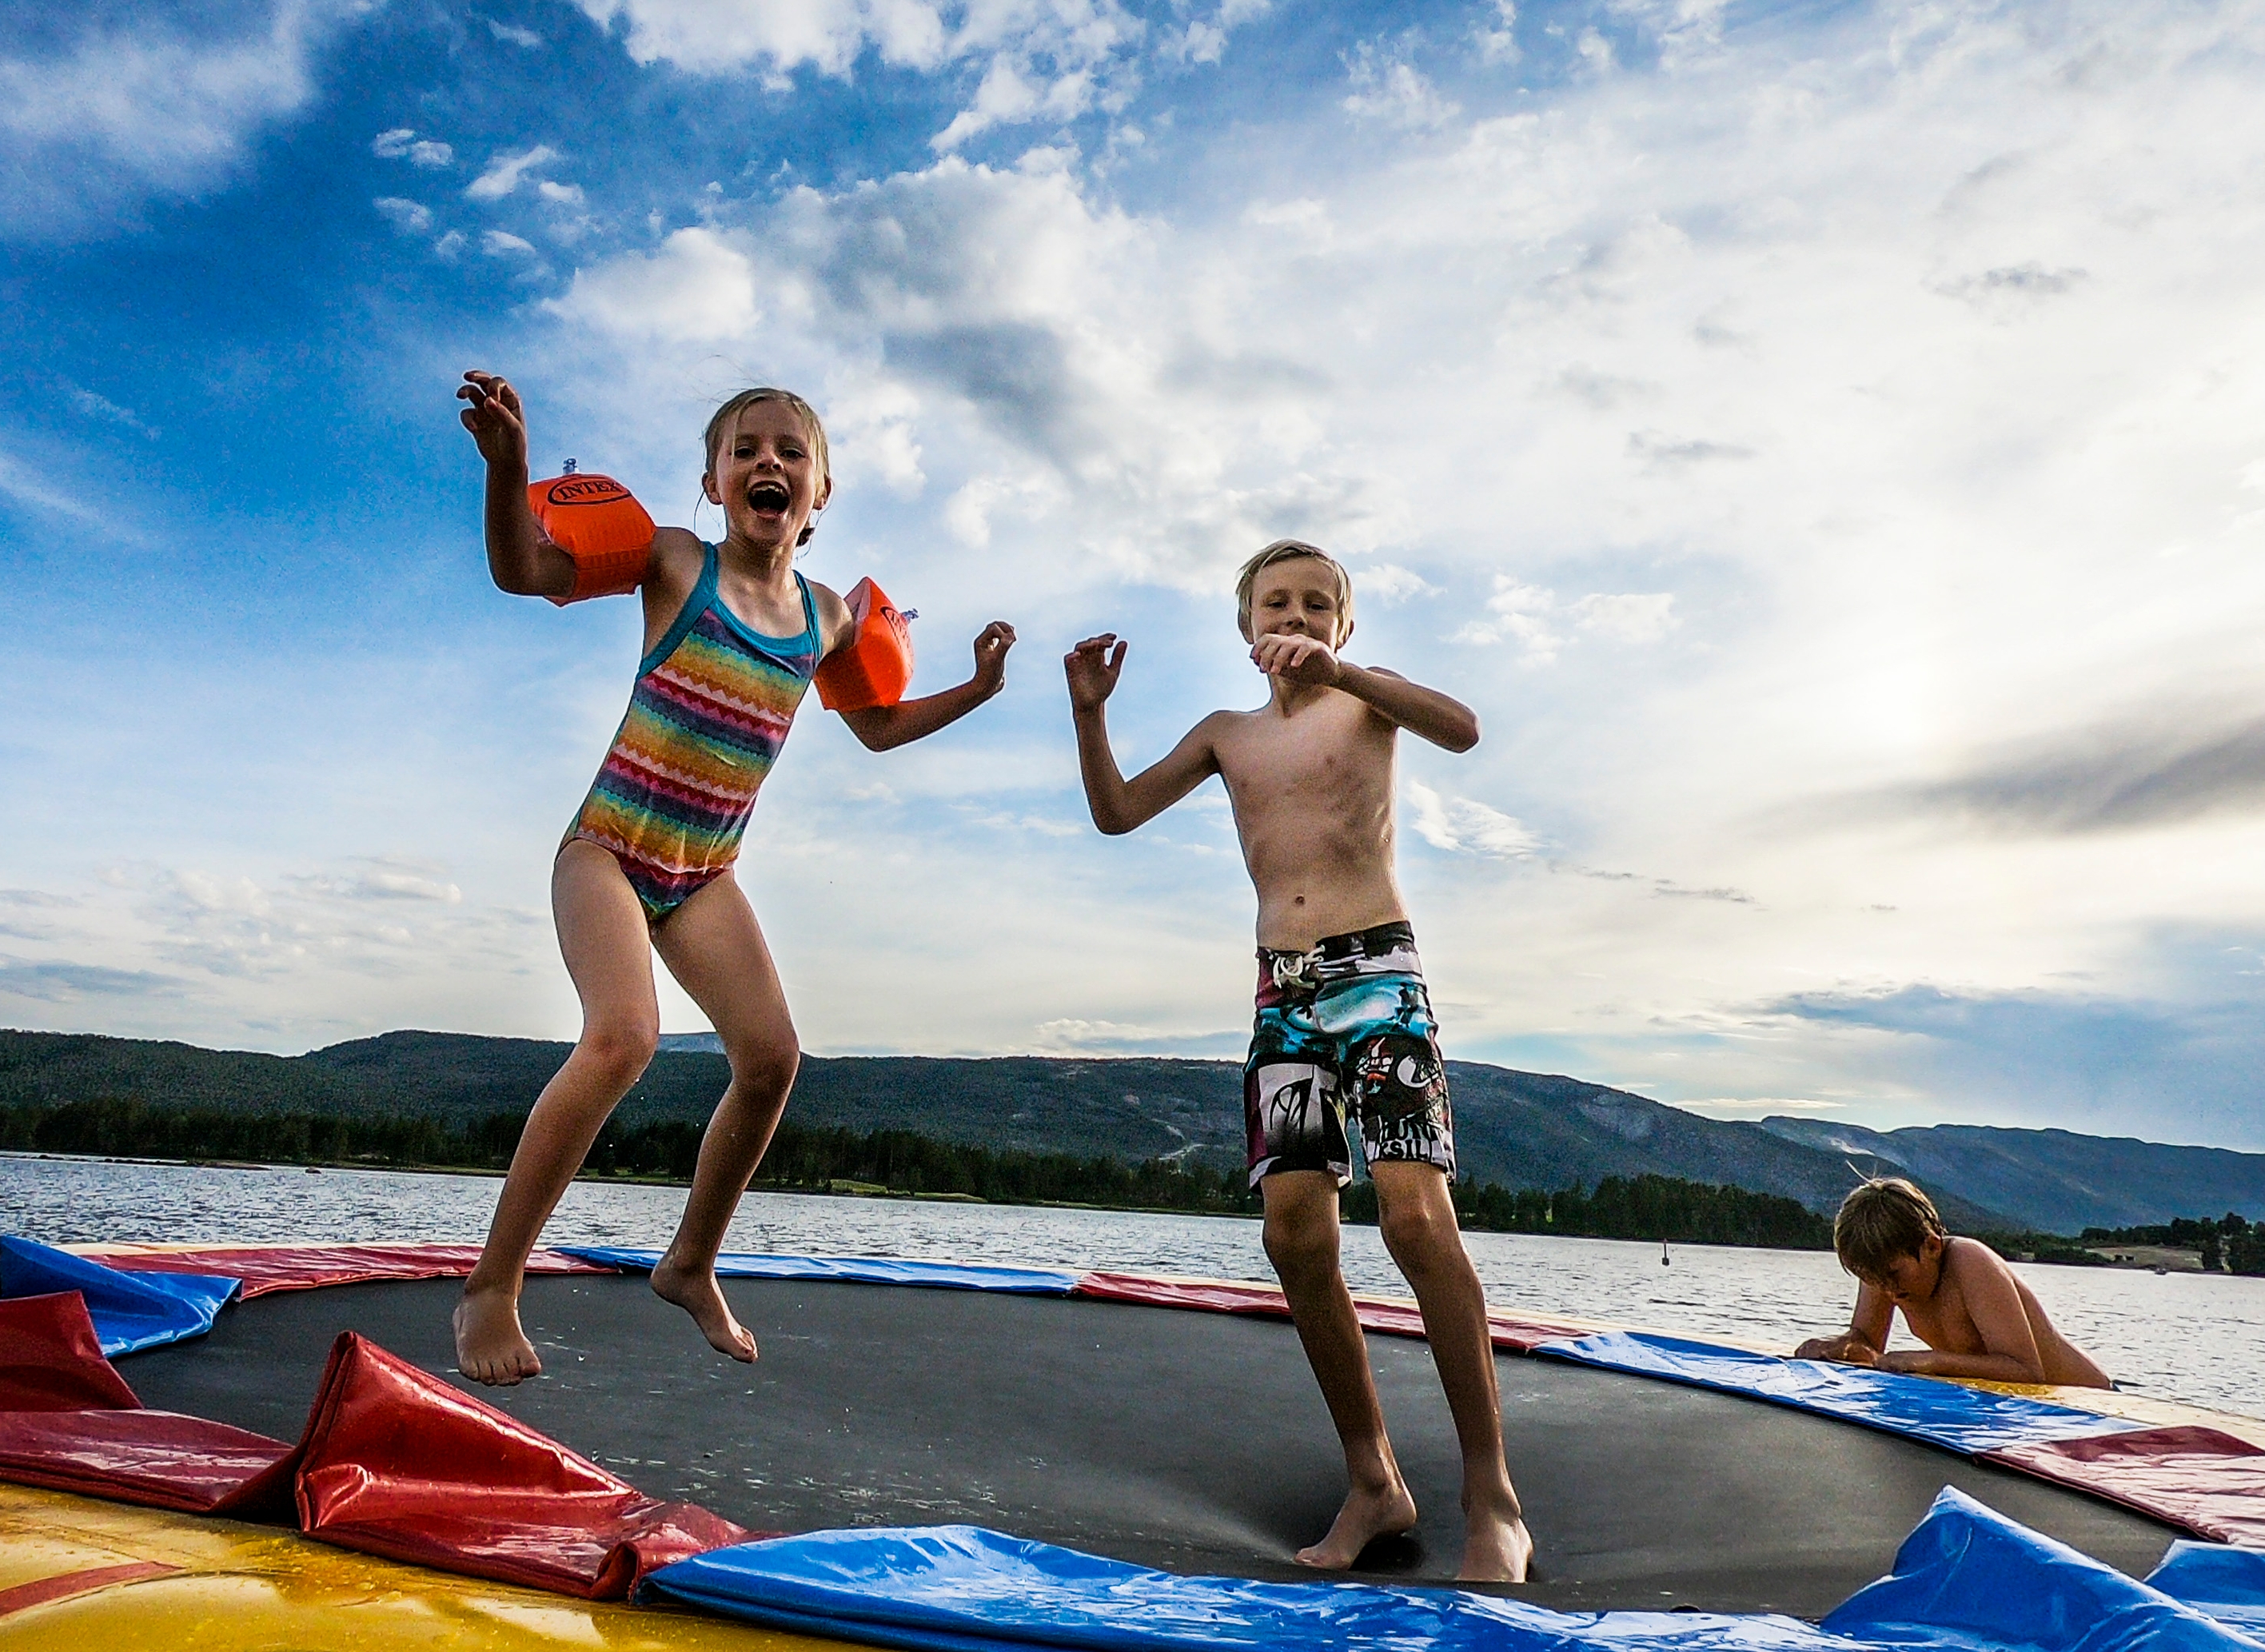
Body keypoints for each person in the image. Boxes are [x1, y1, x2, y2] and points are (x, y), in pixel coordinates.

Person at [449, 372, 1016, 1386]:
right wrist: (511, 470)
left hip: (704, 872)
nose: (769, 463)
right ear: (714, 483)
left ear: (821, 494)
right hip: (608, 850)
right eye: (746, 449)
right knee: (624, 1037)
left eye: (791, 453)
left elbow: (879, 730)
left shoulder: (829, 617)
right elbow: (523, 570)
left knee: (771, 1059)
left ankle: (691, 1262)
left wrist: (975, 688)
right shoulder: (675, 561)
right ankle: (493, 1284)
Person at [1063, 540, 1533, 1584]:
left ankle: (1492, 1493)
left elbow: (1463, 729)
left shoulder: (1369, 699)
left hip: (1379, 975)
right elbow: (1116, 813)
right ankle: (1374, 1480)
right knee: (1294, 1233)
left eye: (1322, 604)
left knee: (1414, 1215)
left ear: (1345, 624)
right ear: (1244, 628)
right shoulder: (1226, 735)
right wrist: (1091, 713)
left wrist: (1346, 675)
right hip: (1286, 995)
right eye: (1280, 601)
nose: (1301, 614)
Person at [1792, 1178, 2112, 1389]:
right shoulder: (1883, 1269)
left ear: (1931, 1247)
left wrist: (1927, 1362)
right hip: (2023, 1405)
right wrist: (1838, 1346)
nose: (1887, 1290)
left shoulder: (1969, 1262)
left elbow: (2027, 1371)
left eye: (1893, 1276)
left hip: (2100, 1404)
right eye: (1872, 1279)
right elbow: (1867, 1344)